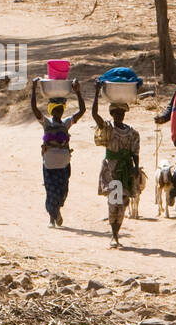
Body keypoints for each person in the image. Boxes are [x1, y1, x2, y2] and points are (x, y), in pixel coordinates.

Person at [92, 77, 141, 248]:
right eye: (116, 114)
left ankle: (116, 232)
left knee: (123, 204)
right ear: (112, 114)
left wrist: (135, 168)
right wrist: (96, 93)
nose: (119, 116)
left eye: (121, 113)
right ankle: (114, 235)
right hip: (112, 170)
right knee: (114, 202)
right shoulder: (108, 129)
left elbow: (135, 152)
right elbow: (94, 115)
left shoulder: (132, 133)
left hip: (126, 170)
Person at [30, 78, 85, 227]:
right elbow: (34, 109)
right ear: (51, 110)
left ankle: (57, 212)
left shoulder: (66, 123)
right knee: (50, 190)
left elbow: (82, 111)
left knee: (62, 192)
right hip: (49, 163)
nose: (59, 111)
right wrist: (34, 88)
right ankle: (51, 218)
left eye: (61, 108)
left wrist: (78, 92)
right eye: (56, 109)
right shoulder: (46, 123)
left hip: (64, 164)